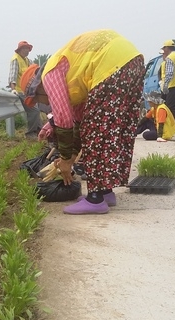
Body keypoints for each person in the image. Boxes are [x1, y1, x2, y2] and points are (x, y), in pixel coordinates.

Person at [20, 29, 145, 215]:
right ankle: (105, 191)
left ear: (38, 87)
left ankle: (95, 199)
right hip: (131, 60)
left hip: (112, 64)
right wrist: (69, 152)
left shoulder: (49, 75)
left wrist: (64, 160)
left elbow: (64, 119)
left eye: (38, 99)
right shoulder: (73, 79)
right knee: (110, 130)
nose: (43, 104)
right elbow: (78, 117)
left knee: (94, 131)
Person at [8, 41, 43, 139]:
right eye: (25, 49)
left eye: (28, 49)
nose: (27, 51)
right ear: (20, 50)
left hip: (27, 91)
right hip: (20, 91)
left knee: (37, 109)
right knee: (34, 111)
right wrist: (13, 89)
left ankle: (40, 131)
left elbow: (35, 70)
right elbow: (13, 75)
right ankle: (30, 133)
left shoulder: (27, 60)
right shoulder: (15, 59)